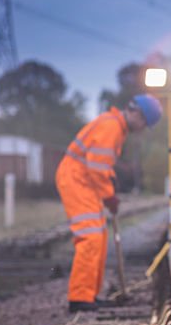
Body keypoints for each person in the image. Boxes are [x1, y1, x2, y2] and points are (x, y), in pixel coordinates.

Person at [55, 94, 162, 313]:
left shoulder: (115, 127)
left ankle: (88, 295)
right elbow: (97, 168)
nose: (142, 129)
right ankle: (79, 298)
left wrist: (110, 187)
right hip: (76, 180)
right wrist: (109, 196)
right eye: (144, 124)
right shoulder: (111, 127)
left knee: (99, 237)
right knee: (90, 238)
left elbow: (101, 165)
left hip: (84, 181)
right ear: (137, 115)